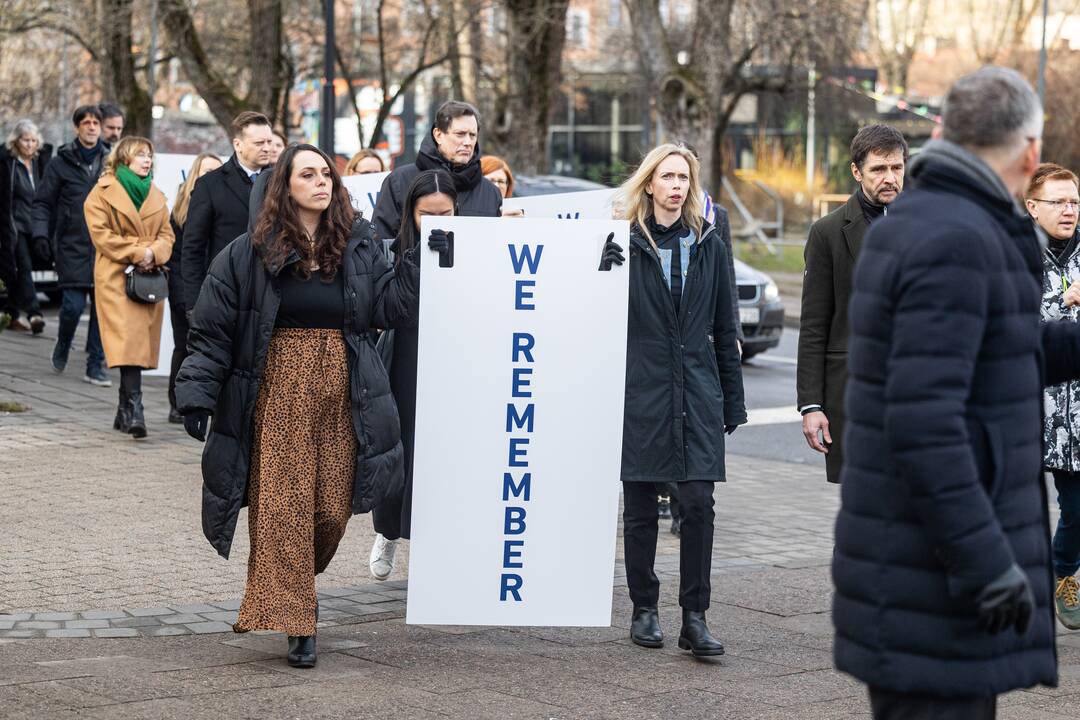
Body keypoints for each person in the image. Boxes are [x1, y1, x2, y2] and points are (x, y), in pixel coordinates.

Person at [834, 66, 1080, 719]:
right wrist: (988, 564)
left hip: (922, 576)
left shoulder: (940, 222)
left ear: (945, 132)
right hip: (936, 585)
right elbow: (923, 425)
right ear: (1029, 152)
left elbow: (1002, 355)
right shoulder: (956, 237)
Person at [175, 143, 424, 669]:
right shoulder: (249, 251)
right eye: (307, 174)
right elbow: (213, 331)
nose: (321, 182)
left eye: (326, 174)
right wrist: (196, 393)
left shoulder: (358, 246)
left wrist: (412, 259)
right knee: (283, 507)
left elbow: (389, 309)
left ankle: (287, 585)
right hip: (279, 387)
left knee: (331, 508)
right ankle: (298, 620)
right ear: (283, 187)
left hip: (345, 386)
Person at [611, 143, 746, 657]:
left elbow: (723, 324)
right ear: (648, 183)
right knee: (642, 506)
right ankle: (644, 609)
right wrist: (600, 272)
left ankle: (695, 616)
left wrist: (732, 402)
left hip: (697, 388)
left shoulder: (708, 242)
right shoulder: (624, 242)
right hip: (641, 389)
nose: (676, 186)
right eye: (666, 177)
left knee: (697, 504)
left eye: (684, 178)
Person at [797, 124, 907, 484]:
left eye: (896, 168)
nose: (889, 177)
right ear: (857, 172)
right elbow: (814, 324)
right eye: (879, 169)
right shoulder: (828, 232)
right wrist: (811, 405)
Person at [368, 170, 457, 581]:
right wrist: (419, 257)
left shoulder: (475, 248)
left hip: (455, 357)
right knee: (402, 448)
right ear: (411, 213)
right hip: (409, 354)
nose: (439, 222)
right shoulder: (395, 249)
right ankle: (387, 532)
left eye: (447, 213)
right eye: (428, 214)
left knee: (445, 452)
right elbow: (391, 308)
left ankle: (437, 546)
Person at [83, 136, 174, 438]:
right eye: (140, 155)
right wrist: (140, 252)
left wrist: (154, 253)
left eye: (149, 155)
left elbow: (167, 236)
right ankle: (136, 409)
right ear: (124, 158)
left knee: (134, 343)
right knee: (128, 341)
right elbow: (102, 236)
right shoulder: (102, 192)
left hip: (147, 277)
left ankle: (124, 410)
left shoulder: (157, 195)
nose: (147, 160)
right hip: (116, 276)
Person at [1025, 162, 1080, 630]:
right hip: (1028, 409)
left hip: (1077, 413)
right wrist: (1065, 302)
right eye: (1058, 201)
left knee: (1079, 508)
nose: (1068, 210)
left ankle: (1062, 571)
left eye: (1074, 201)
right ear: (1031, 206)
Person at [31, 104, 111, 386]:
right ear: (77, 127)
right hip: (71, 245)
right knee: (73, 307)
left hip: (105, 247)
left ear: (101, 128)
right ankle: (63, 343)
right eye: (85, 122)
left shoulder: (111, 161)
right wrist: (40, 235)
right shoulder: (60, 163)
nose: (91, 127)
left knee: (102, 310)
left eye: (95, 123)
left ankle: (95, 365)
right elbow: (43, 202)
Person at [181, 110, 272, 311]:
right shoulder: (209, 185)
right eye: (259, 143)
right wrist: (195, 305)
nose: (267, 148)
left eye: (269, 142)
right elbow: (193, 249)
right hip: (224, 293)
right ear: (237, 144)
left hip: (272, 294)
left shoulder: (283, 182)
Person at [371, 100, 501, 239]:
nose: (468, 142)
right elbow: (380, 246)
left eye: (472, 135)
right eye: (460, 134)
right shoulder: (399, 181)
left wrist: (510, 230)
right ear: (438, 135)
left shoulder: (490, 192)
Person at [166, 152, 222, 423]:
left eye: (216, 171)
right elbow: (180, 256)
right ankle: (177, 402)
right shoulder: (180, 209)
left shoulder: (219, 206)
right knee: (183, 346)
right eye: (206, 171)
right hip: (184, 288)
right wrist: (183, 297)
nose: (211, 177)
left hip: (212, 287)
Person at [0, 119, 52, 334]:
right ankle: (34, 314)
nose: (30, 145)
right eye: (25, 140)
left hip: (37, 225)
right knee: (24, 267)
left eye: (33, 140)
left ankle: (10, 314)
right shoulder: (8, 164)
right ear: (16, 141)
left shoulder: (42, 162)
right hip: (16, 225)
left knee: (19, 272)